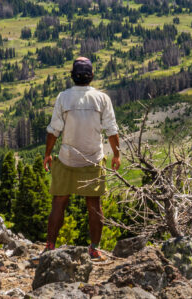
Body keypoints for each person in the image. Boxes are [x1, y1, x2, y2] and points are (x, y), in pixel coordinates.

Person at [43, 56, 120, 259]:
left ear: (72, 76)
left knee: (59, 202)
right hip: (93, 158)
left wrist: (48, 154)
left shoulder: (63, 97)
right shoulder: (102, 98)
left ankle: (50, 245)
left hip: (67, 158)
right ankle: (94, 248)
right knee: (94, 204)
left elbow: (54, 130)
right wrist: (117, 155)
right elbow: (112, 130)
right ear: (92, 76)